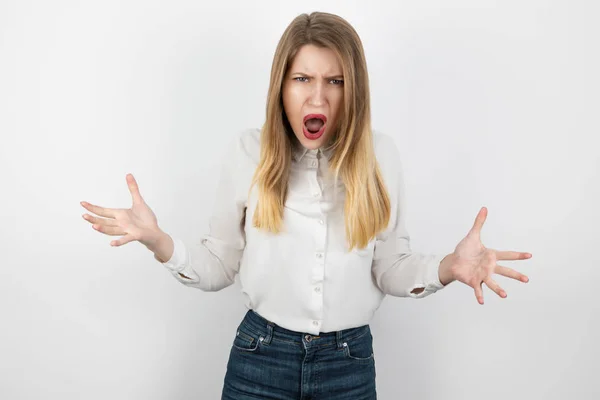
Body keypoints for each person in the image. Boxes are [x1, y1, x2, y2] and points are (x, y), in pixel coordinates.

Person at [80, 11, 532, 399]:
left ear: (353, 90)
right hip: (260, 357)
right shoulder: (248, 153)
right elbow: (219, 264)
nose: (319, 97)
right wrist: (159, 241)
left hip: (349, 363)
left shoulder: (381, 156)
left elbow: (390, 266)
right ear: (282, 86)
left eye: (335, 81)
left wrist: (450, 266)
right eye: (303, 79)